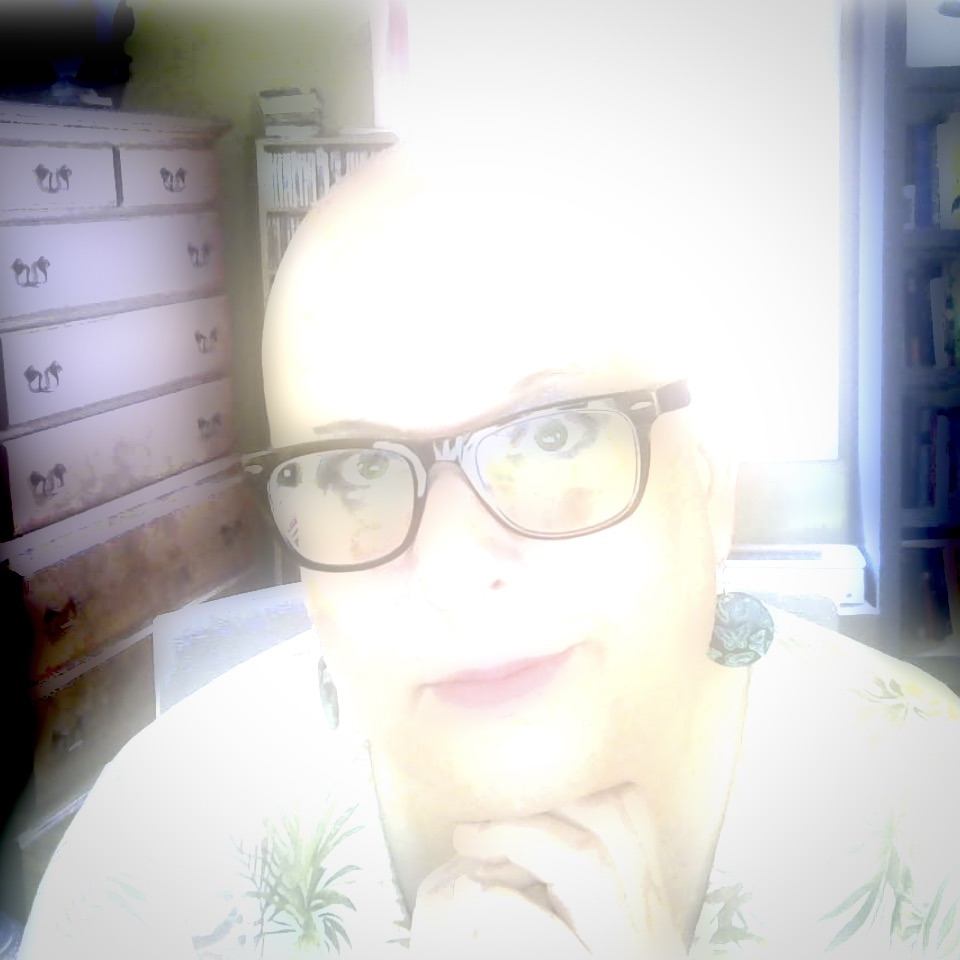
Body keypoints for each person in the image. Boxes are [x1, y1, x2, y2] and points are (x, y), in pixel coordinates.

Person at [17, 8, 960, 959]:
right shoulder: (147, 868)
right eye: (358, 468)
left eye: (552, 434)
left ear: (709, 485)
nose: (454, 569)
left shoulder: (934, 828)